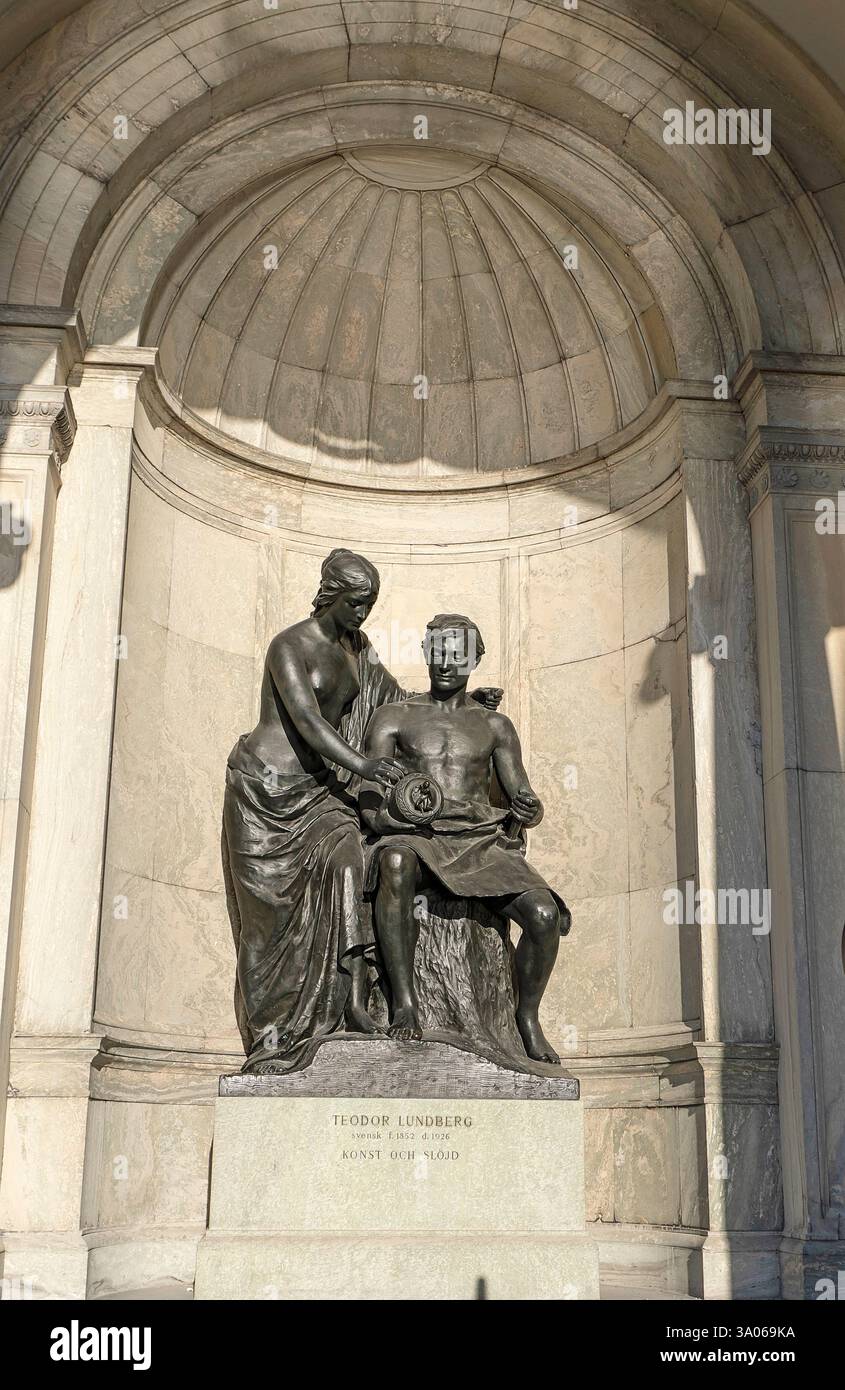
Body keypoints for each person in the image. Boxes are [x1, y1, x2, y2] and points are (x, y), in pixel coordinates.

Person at [222, 553, 501, 1071]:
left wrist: (463, 706)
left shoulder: (357, 648)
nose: (362, 615)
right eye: (355, 603)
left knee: (351, 866)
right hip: (268, 790)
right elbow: (308, 722)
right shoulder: (289, 645)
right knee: (268, 921)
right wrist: (367, 768)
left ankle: (350, 1000)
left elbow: (394, 702)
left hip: (324, 794)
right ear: (330, 594)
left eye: (369, 605)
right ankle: (272, 1031)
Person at [360, 614, 570, 1065]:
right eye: (437, 650)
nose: (446, 662)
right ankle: (405, 1001)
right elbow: (369, 801)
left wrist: (530, 808)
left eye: (457, 653)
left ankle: (526, 1016)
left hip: (480, 843)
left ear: (475, 658)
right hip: (419, 836)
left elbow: (521, 794)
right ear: (425, 652)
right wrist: (394, 817)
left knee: (543, 913)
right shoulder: (394, 717)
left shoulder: (495, 726)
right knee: (395, 862)